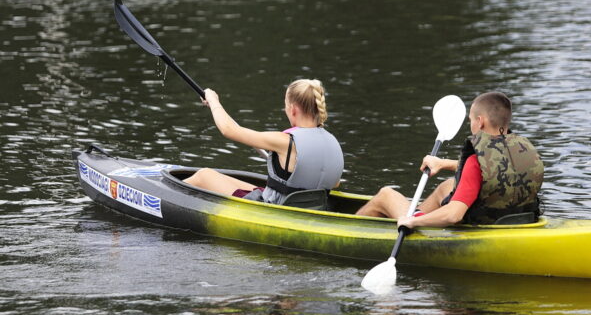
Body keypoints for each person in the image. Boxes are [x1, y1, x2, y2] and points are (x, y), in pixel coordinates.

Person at [355, 91, 543, 227]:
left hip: (477, 224)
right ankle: (414, 212)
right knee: (447, 185)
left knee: (385, 195)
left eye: (470, 120)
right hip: (516, 219)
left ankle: (356, 230)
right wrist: (442, 163)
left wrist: (413, 222)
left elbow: (454, 215)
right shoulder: (523, 149)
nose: (471, 124)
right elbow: (492, 170)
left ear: (480, 121)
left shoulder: (476, 160)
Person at [184, 79, 344, 204]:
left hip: (275, 209)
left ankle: (162, 198)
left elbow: (228, 130)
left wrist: (213, 101)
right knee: (250, 186)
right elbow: (334, 183)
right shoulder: (333, 143)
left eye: (286, 106)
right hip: (306, 206)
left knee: (204, 175)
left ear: (293, 109)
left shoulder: (285, 142)